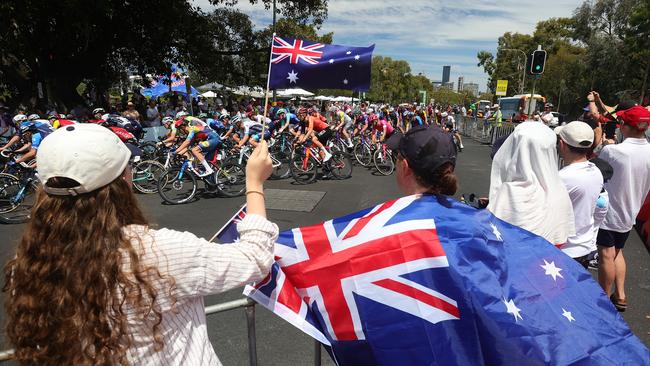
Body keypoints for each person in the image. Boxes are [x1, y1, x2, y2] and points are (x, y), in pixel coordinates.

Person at [3, 123, 277, 365]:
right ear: (123, 180)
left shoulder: (30, 262)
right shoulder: (161, 250)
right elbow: (255, 258)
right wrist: (254, 182)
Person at [596, 106, 650, 311]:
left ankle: (602, 297)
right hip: (631, 210)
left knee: (606, 255)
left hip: (610, 210)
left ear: (625, 126)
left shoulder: (614, 150)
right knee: (618, 252)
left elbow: (598, 171)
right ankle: (620, 294)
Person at [488, 122, 575, 246]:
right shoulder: (558, 188)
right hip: (548, 259)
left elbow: (492, 235)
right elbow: (560, 235)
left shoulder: (510, 193)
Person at [555, 122, 607, 268]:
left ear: (562, 144)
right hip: (584, 244)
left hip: (564, 248)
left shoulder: (562, 177)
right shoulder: (596, 171)